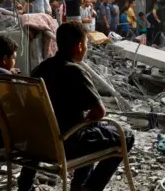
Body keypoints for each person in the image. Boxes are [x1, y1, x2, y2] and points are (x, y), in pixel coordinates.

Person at [17, 22, 134, 191]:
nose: (86, 49)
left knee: (91, 130)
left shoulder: (40, 69)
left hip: (38, 143)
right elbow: (99, 111)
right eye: (86, 44)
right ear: (79, 46)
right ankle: (86, 188)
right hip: (66, 144)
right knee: (126, 135)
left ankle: (26, 186)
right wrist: (90, 118)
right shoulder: (75, 71)